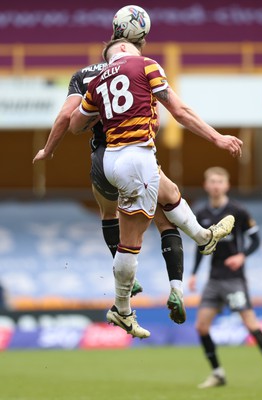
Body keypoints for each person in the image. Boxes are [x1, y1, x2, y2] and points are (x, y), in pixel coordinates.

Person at [69, 38, 242, 339]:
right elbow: (181, 111)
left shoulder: (96, 82)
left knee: (170, 194)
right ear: (127, 48)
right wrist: (217, 138)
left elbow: (74, 125)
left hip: (111, 158)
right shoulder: (146, 64)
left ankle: (204, 237)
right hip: (137, 154)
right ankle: (121, 310)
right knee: (131, 242)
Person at [188, 166, 262, 388]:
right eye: (212, 182)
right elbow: (200, 246)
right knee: (201, 327)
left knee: (250, 323)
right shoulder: (202, 215)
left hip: (234, 279)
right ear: (206, 185)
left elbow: (256, 240)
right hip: (214, 279)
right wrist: (194, 273)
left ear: (226, 185)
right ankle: (218, 373)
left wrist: (242, 256)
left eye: (219, 182)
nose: (215, 186)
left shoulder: (238, 211)